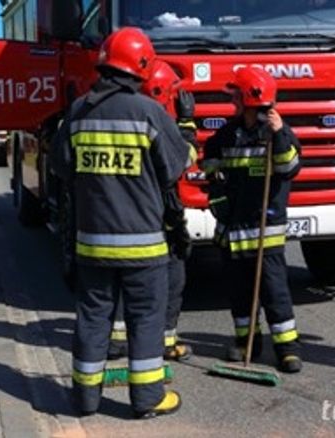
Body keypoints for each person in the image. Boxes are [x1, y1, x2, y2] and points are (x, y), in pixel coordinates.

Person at [52, 27, 187, 419]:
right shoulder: (148, 113)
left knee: (93, 319)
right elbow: (173, 169)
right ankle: (147, 399)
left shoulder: (77, 113)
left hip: (91, 245)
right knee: (145, 320)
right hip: (144, 248)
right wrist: (189, 135)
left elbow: (60, 167)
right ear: (142, 66)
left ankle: (84, 400)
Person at [200, 66, 303, 374]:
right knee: (239, 292)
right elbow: (210, 167)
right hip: (232, 230)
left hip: (264, 230)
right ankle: (247, 342)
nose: (233, 103)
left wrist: (280, 135)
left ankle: (287, 348)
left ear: (247, 99)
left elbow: (288, 169)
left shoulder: (279, 135)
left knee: (275, 292)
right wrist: (217, 197)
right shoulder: (227, 135)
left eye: (235, 97)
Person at [108, 60, 198, 363]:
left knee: (121, 280)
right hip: (158, 216)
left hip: (123, 217)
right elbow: (180, 163)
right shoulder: (156, 120)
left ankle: (119, 340)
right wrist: (187, 125)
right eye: (173, 92)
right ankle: (164, 342)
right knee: (172, 277)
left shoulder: (125, 119)